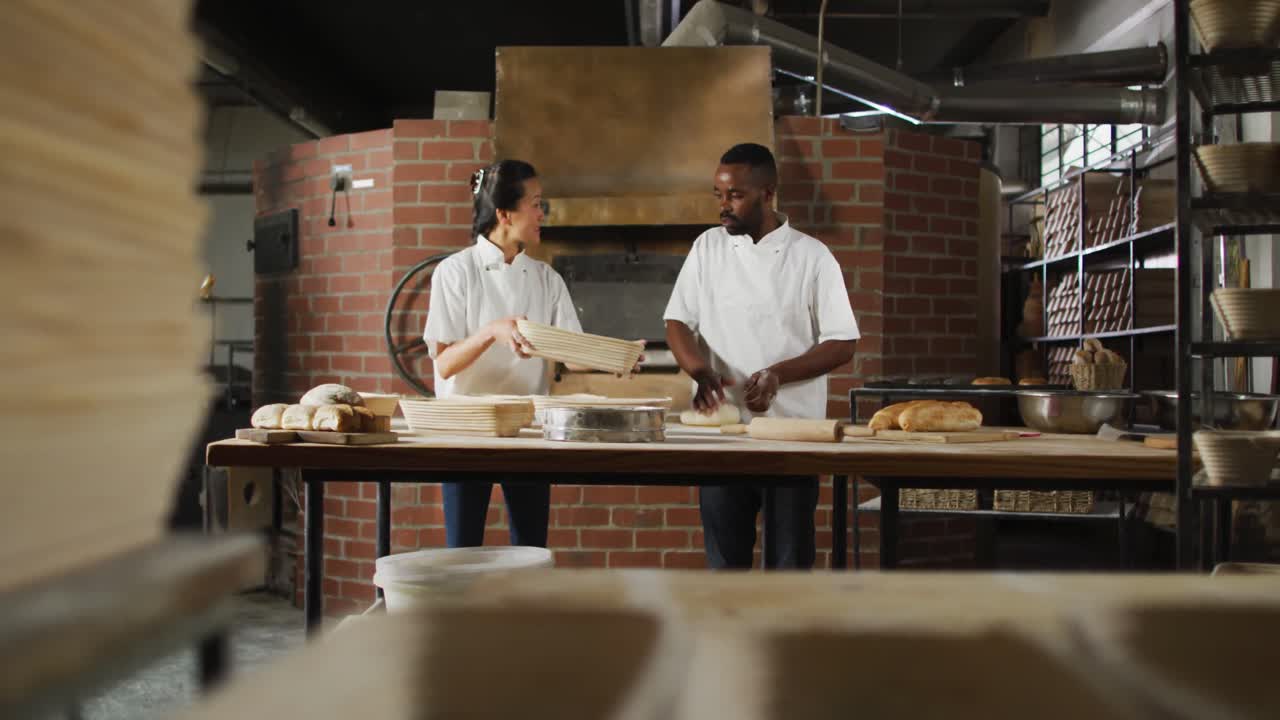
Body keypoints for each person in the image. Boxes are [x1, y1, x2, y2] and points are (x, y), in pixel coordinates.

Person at [663, 143, 860, 569]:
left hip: (791, 438)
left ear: (768, 194)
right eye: (719, 195)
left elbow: (843, 342)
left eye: (735, 195)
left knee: (788, 570)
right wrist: (701, 372)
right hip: (724, 438)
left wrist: (777, 375)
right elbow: (676, 322)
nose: (723, 206)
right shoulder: (707, 248)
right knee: (725, 569)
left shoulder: (812, 257)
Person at [422, 159, 579, 548]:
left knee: (531, 550)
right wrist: (492, 331)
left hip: (528, 428)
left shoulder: (546, 279)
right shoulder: (455, 272)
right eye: (536, 204)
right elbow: (444, 364)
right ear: (504, 214)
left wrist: (621, 358)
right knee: (463, 551)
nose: (543, 213)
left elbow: (574, 355)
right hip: (464, 432)